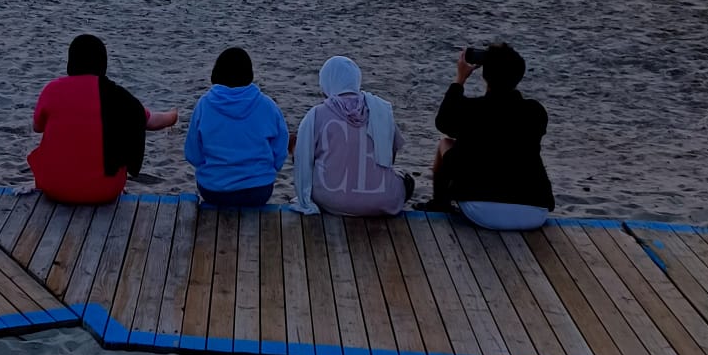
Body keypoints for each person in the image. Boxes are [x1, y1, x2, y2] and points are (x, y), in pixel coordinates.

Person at [28, 34, 176, 205]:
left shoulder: (52, 90)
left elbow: (37, 127)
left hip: (54, 188)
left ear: (70, 63)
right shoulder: (117, 96)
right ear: (103, 64)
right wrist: (174, 115)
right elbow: (151, 122)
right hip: (104, 191)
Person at [432, 42, 554, 230]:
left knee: (445, 143)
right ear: (519, 75)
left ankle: (439, 204)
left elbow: (443, 122)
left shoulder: (471, 110)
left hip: (481, 210)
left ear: (485, 76)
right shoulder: (535, 112)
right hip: (534, 210)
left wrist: (460, 80)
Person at [290, 56, 414, 217]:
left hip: (331, 200)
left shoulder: (316, 114)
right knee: (407, 181)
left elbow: (304, 162)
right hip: (381, 201)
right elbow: (390, 156)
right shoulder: (380, 110)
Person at [184, 47, 289, 210]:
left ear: (216, 73)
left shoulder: (204, 105)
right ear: (250, 74)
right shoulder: (268, 105)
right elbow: (280, 150)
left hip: (214, 191)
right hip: (259, 190)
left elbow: (193, 154)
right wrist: (268, 169)